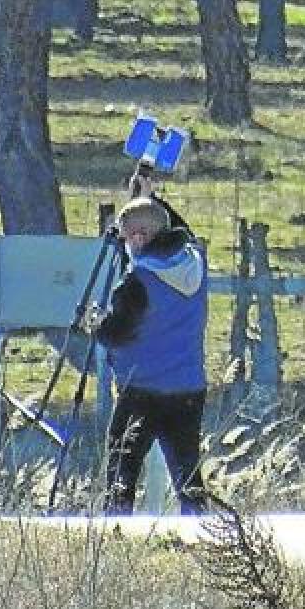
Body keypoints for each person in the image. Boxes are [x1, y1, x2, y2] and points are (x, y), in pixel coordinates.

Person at [88, 174, 209, 514]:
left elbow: (115, 333)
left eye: (127, 238)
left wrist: (95, 323)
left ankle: (115, 533)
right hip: (189, 388)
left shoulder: (138, 281)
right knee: (188, 475)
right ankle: (204, 533)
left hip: (142, 390)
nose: (126, 245)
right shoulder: (194, 262)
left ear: (139, 238)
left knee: (121, 474)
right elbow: (180, 230)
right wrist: (151, 199)